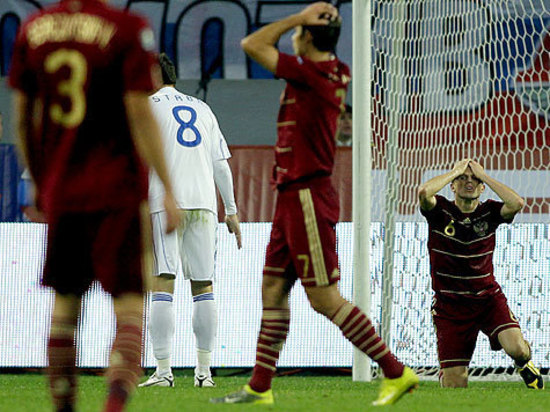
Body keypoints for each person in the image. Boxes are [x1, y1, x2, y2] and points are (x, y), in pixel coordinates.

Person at [211, 2, 418, 406]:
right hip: (292, 197)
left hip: (307, 196)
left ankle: (396, 371)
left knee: (324, 297)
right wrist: (314, 23)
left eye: (297, 33)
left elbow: (252, 44)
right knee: (273, 288)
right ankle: (260, 386)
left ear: (306, 36)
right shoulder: (337, 70)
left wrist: (298, 16)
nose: (291, 37)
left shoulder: (310, 74)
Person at [8, 1, 180, 411]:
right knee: (130, 305)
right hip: (118, 189)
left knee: (65, 307)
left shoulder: (33, 30)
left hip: (64, 190)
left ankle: (64, 406)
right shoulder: (126, 28)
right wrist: (168, 188)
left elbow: (24, 116)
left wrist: (40, 179)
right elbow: (139, 112)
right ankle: (113, 406)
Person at [138, 53, 241, 389]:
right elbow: (221, 164)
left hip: (164, 200)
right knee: (203, 285)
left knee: (163, 281)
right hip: (204, 203)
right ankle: (204, 373)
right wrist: (231, 210)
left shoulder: (147, 107)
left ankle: (163, 371)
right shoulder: (202, 108)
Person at [418, 159, 544, 389]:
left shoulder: (489, 212)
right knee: (455, 385)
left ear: (482, 187)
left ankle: (524, 364)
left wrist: (483, 175)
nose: (469, 182)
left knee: (518, 349)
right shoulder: (440, 212)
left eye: (474, 179)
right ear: (452, 185)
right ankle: (447, 372)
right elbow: (424, 192)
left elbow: (516, 202)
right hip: (450, 306)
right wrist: (455, 171)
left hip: (487, 299)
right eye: (462, 179)